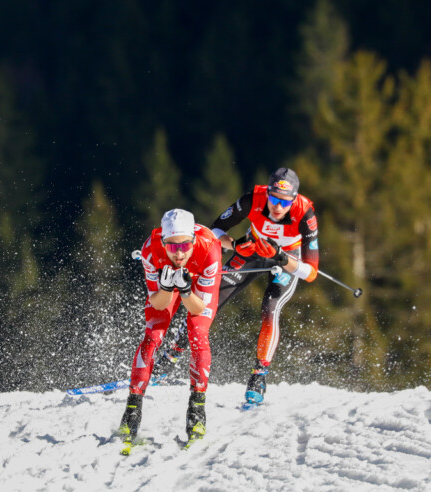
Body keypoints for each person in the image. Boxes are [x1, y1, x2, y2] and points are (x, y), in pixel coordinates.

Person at [210, 167, 319, 405]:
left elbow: (311, 273)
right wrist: (235, 245)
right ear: (267, 193)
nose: (278, 207)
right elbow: (214, 230)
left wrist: (282, 257)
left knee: (270, 307)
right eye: (274, 199)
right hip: (253, 249)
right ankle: (171, 355)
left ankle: (258, 377)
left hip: (287, 259)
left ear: (294, 199)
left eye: (285, 201)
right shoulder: (253, 199)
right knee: (211, 299)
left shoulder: (305, 213)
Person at [119, 209, 222, 449]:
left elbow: (197, 308)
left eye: (185, 245)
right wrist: (166, 288)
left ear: (193, 240)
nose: (179, 253)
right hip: (167, 284)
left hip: (196, 286)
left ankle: (196, 409)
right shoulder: (150, 250)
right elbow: (158, 304)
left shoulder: (209, 249)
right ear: (163, 242)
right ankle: (132, 409)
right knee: (153, 335)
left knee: (197, 333)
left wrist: (185, 290)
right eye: (172, 246)